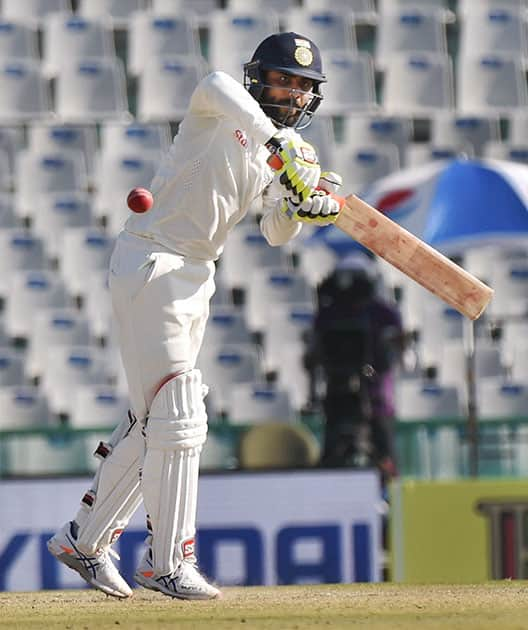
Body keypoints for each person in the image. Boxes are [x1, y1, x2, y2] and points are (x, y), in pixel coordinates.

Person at [46, 32, 343, 600]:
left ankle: (83, 541)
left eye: (305, 88)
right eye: (285, 80)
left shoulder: (276, 152)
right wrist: (285, 148)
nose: (296, 94)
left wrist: (303, 202)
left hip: (196, 274)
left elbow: (275, 235)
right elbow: (213, 84)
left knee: (155, 416)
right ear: (259, 78)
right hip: (153, 258)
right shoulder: (224, 106)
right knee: (180, 407)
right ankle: (166, 562)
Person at [305, 254, 404, 481]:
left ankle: (389, 483)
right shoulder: (329, 312)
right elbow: (315, 352)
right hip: (337, 393)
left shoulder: (382, 313)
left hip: (374, 397)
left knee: (383, 450)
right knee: (333, 447)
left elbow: (396, 347)